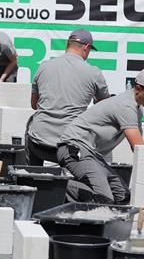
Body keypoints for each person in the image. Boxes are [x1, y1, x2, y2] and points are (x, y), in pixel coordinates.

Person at [51, 67, 144, 204]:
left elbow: (139, 150)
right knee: (104, 199)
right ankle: (51, 186)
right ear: (138, 88)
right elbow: (139, 147)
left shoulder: (137, 108)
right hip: (73, 148)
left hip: (91, 154)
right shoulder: (126, 106)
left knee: (122, 196)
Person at [25, 29, 110, 167]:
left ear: (67, 44)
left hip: (39, 144)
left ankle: (32, 174)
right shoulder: (94, 72)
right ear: (86, 47)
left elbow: (34, 105)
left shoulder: (44, 67)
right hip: (69, 148)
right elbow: (105, 108)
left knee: (32, 123)